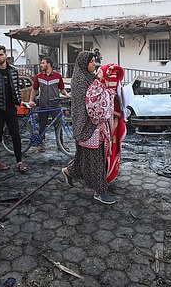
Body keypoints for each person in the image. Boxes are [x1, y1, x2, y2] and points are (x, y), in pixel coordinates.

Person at [61, 51, 117, 205]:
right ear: (84, 63)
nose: (94, 64)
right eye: (91, 61)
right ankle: (100, 191)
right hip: (86, 125)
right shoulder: (79, 81)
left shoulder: (90, 78)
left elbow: (98, 96)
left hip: (94, 124)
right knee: (96, 158)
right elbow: (87, 104)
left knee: (83, 157)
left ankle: (68, 171)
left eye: (94, 61)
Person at [0, 45, 28, 173]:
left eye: (0, 54)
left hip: (11, 109)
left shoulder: (13, 71)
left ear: (5, 55)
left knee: (16, 136)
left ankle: (19, 162)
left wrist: (18, 102)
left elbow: (17, 88)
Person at [28, 57, 70, 152]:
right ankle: (41, 144)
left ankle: (60, 145)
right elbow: (34, 89)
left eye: (43, 63)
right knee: (42, 125)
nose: (41, 65)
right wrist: (31, 100)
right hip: (43, 105)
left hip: (55, 105)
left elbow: (62, 89)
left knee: (58, 125)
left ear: (49, 64)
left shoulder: (57, 76)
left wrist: (67, 95)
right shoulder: (39, 76)